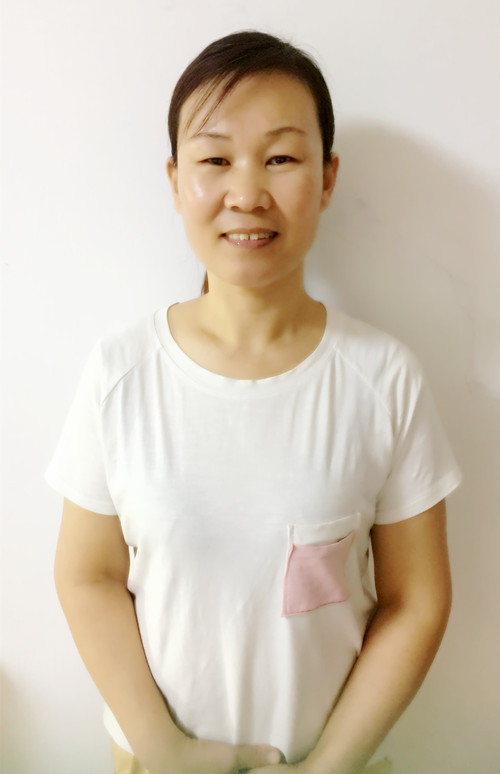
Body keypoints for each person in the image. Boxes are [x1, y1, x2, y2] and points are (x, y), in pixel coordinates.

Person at [46, 30, 462, 774]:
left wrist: (328, 766)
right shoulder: (120, 370)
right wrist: (164, 749)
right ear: (175, 180)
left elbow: (417, 600)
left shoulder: (384, 378)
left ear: (327, 178)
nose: (246, 194)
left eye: (280, 158)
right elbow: (87, 576)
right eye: (214, 160)